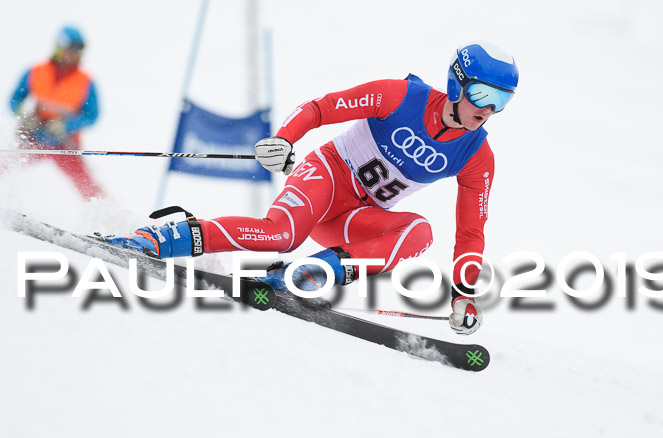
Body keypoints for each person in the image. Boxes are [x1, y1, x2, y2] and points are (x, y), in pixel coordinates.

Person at [106, 41, 519, 335]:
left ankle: (305, 275)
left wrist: (463, 293)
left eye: (500, 101)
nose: (486, 110)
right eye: (481, 94)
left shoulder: (476, 155)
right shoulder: (400, 96)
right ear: (456, 83)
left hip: (352, 219)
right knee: (281, 235)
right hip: (327, 175)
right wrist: (285, 139)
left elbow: (471, 231)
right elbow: (321, 108)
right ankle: (153, 239)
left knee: (419, 232)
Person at [8, 25, 104, 200]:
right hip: (34, 137)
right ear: (59, 47)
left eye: (76, 51)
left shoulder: (85, 81)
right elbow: (14, 100)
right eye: (68, 49)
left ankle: (112, 218)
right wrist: (25, 116)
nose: (71, 55)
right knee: (6, 163)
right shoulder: (37, 72)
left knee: (87, 186)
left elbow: (92, 116)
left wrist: (66, 125)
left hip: (64, 144)